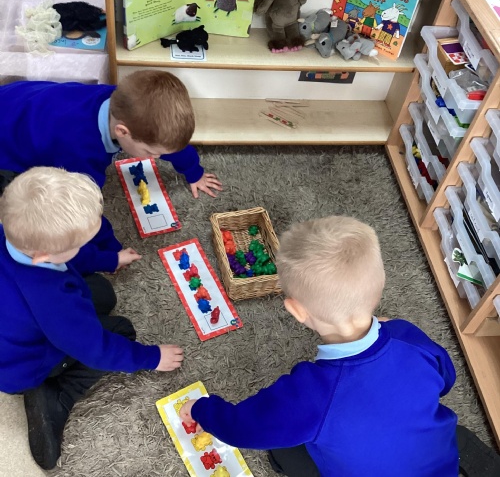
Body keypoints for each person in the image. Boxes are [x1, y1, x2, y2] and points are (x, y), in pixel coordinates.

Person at [180, 215, 459, 476]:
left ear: (297, 311)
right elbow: (446, 380)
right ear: (380, 285)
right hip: (444, 469)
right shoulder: (409, 337)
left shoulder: (309, 393)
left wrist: (201, 410)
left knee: (283, 447)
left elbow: (244, 428)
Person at [0, 167, 184, 470]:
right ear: (44, 256)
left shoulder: (18, 236)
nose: (81, 248)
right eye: (78, 244)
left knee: (100, 291)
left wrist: (110, 259)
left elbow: (69, 254)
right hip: (22, 368)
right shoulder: (52, 299)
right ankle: (57, 395)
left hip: (16, 325)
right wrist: (153, 358)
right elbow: (97, 351)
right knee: (121, 332)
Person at [0, 70, 222, 275]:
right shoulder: (80, 153)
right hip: (8, 144)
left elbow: (167, 142)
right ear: (122, 132)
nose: (155, 158)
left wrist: (194, 171)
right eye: (150, 153)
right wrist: (111, 253)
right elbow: (85, 212)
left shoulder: (121, 101)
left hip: (20, 99)